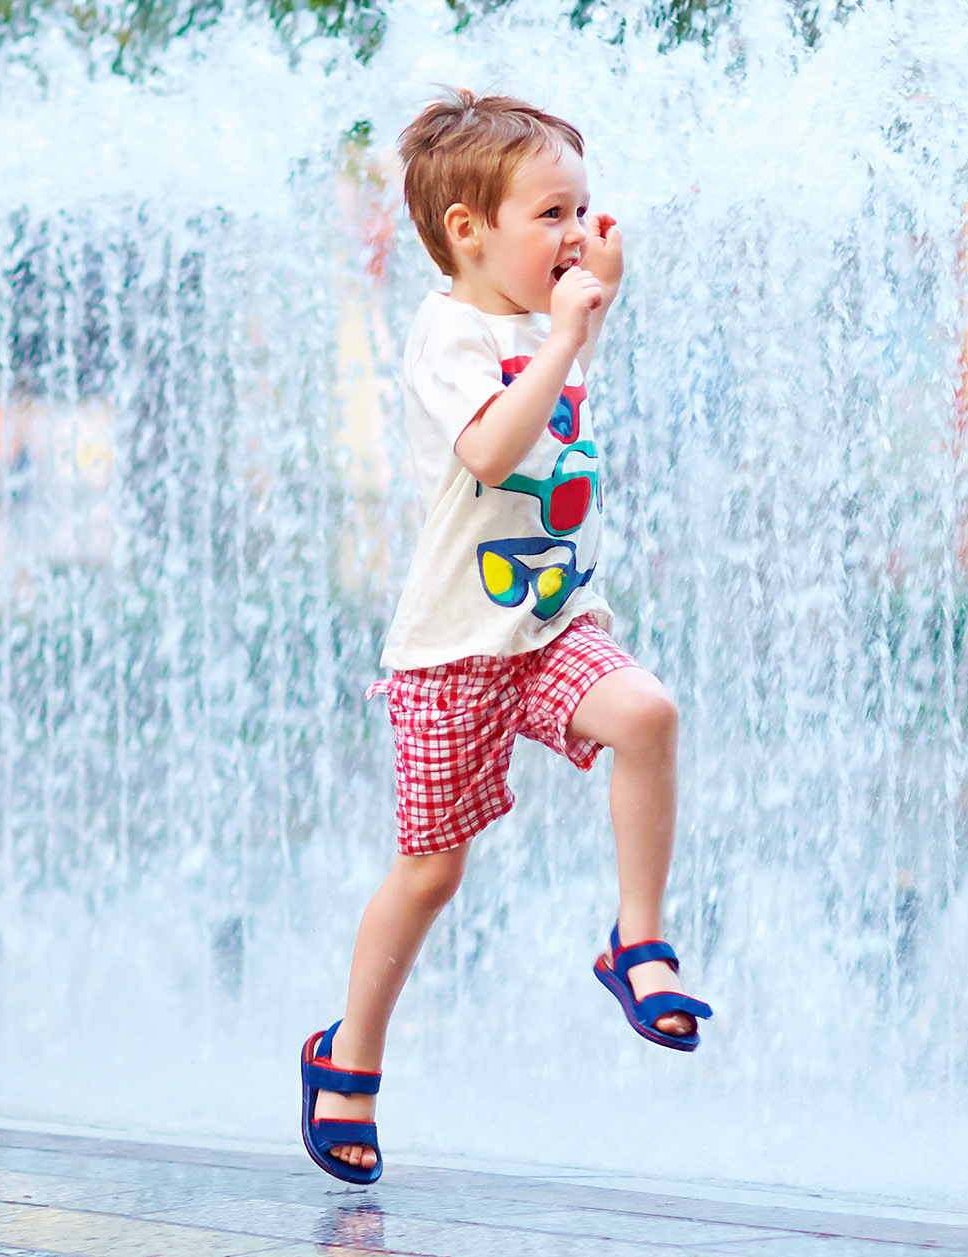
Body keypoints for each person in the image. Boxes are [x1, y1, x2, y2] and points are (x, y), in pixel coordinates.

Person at [300, 90, 711, 1185]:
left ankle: (636, 938)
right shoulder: (450, 333)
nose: (576, 235)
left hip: (549, 624)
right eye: (551, 215)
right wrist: (574, 327)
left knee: (648, 713)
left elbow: (569, 342)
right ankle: (347, 1058)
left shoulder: (548, 317)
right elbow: (491, 449)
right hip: (451, 652)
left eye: (584, 209)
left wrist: (591, 302)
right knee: (432, 876)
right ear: (467, 231)